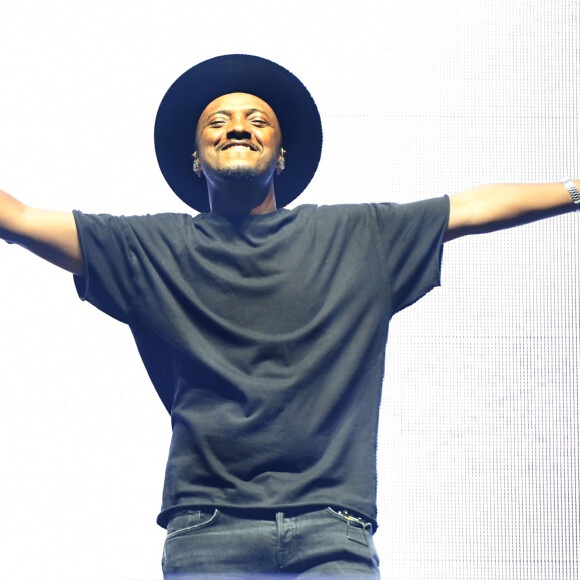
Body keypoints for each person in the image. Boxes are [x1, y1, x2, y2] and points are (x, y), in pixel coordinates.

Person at [0, 54, 578, 579]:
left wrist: (575, 189)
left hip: (334, 529)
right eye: (217, 121)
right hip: (208, 529)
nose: (237, 125)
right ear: (196, 161)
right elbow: (21, 219)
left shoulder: (357, 235)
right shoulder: (149, 246)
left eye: (257, 118)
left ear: (281, 154)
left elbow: (472, 208)